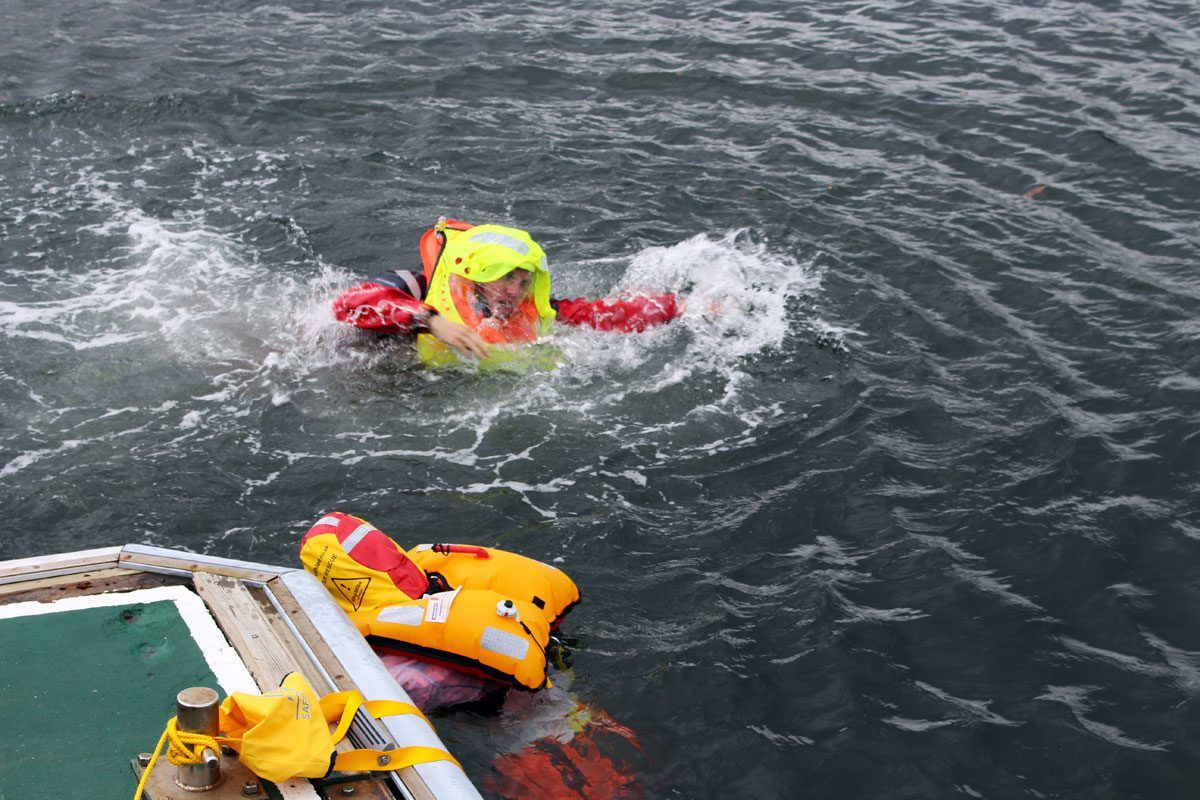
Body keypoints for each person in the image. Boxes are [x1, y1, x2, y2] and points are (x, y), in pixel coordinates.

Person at [332, 218, 680, 361]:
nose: (516, 291)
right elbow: (348, 305)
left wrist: (680, 307)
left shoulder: (530, 311)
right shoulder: (413, 286)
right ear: (475, 272)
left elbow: (603, 315)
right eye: (506, 278)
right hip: (368, 371)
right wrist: (432, 322)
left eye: (524, 281)